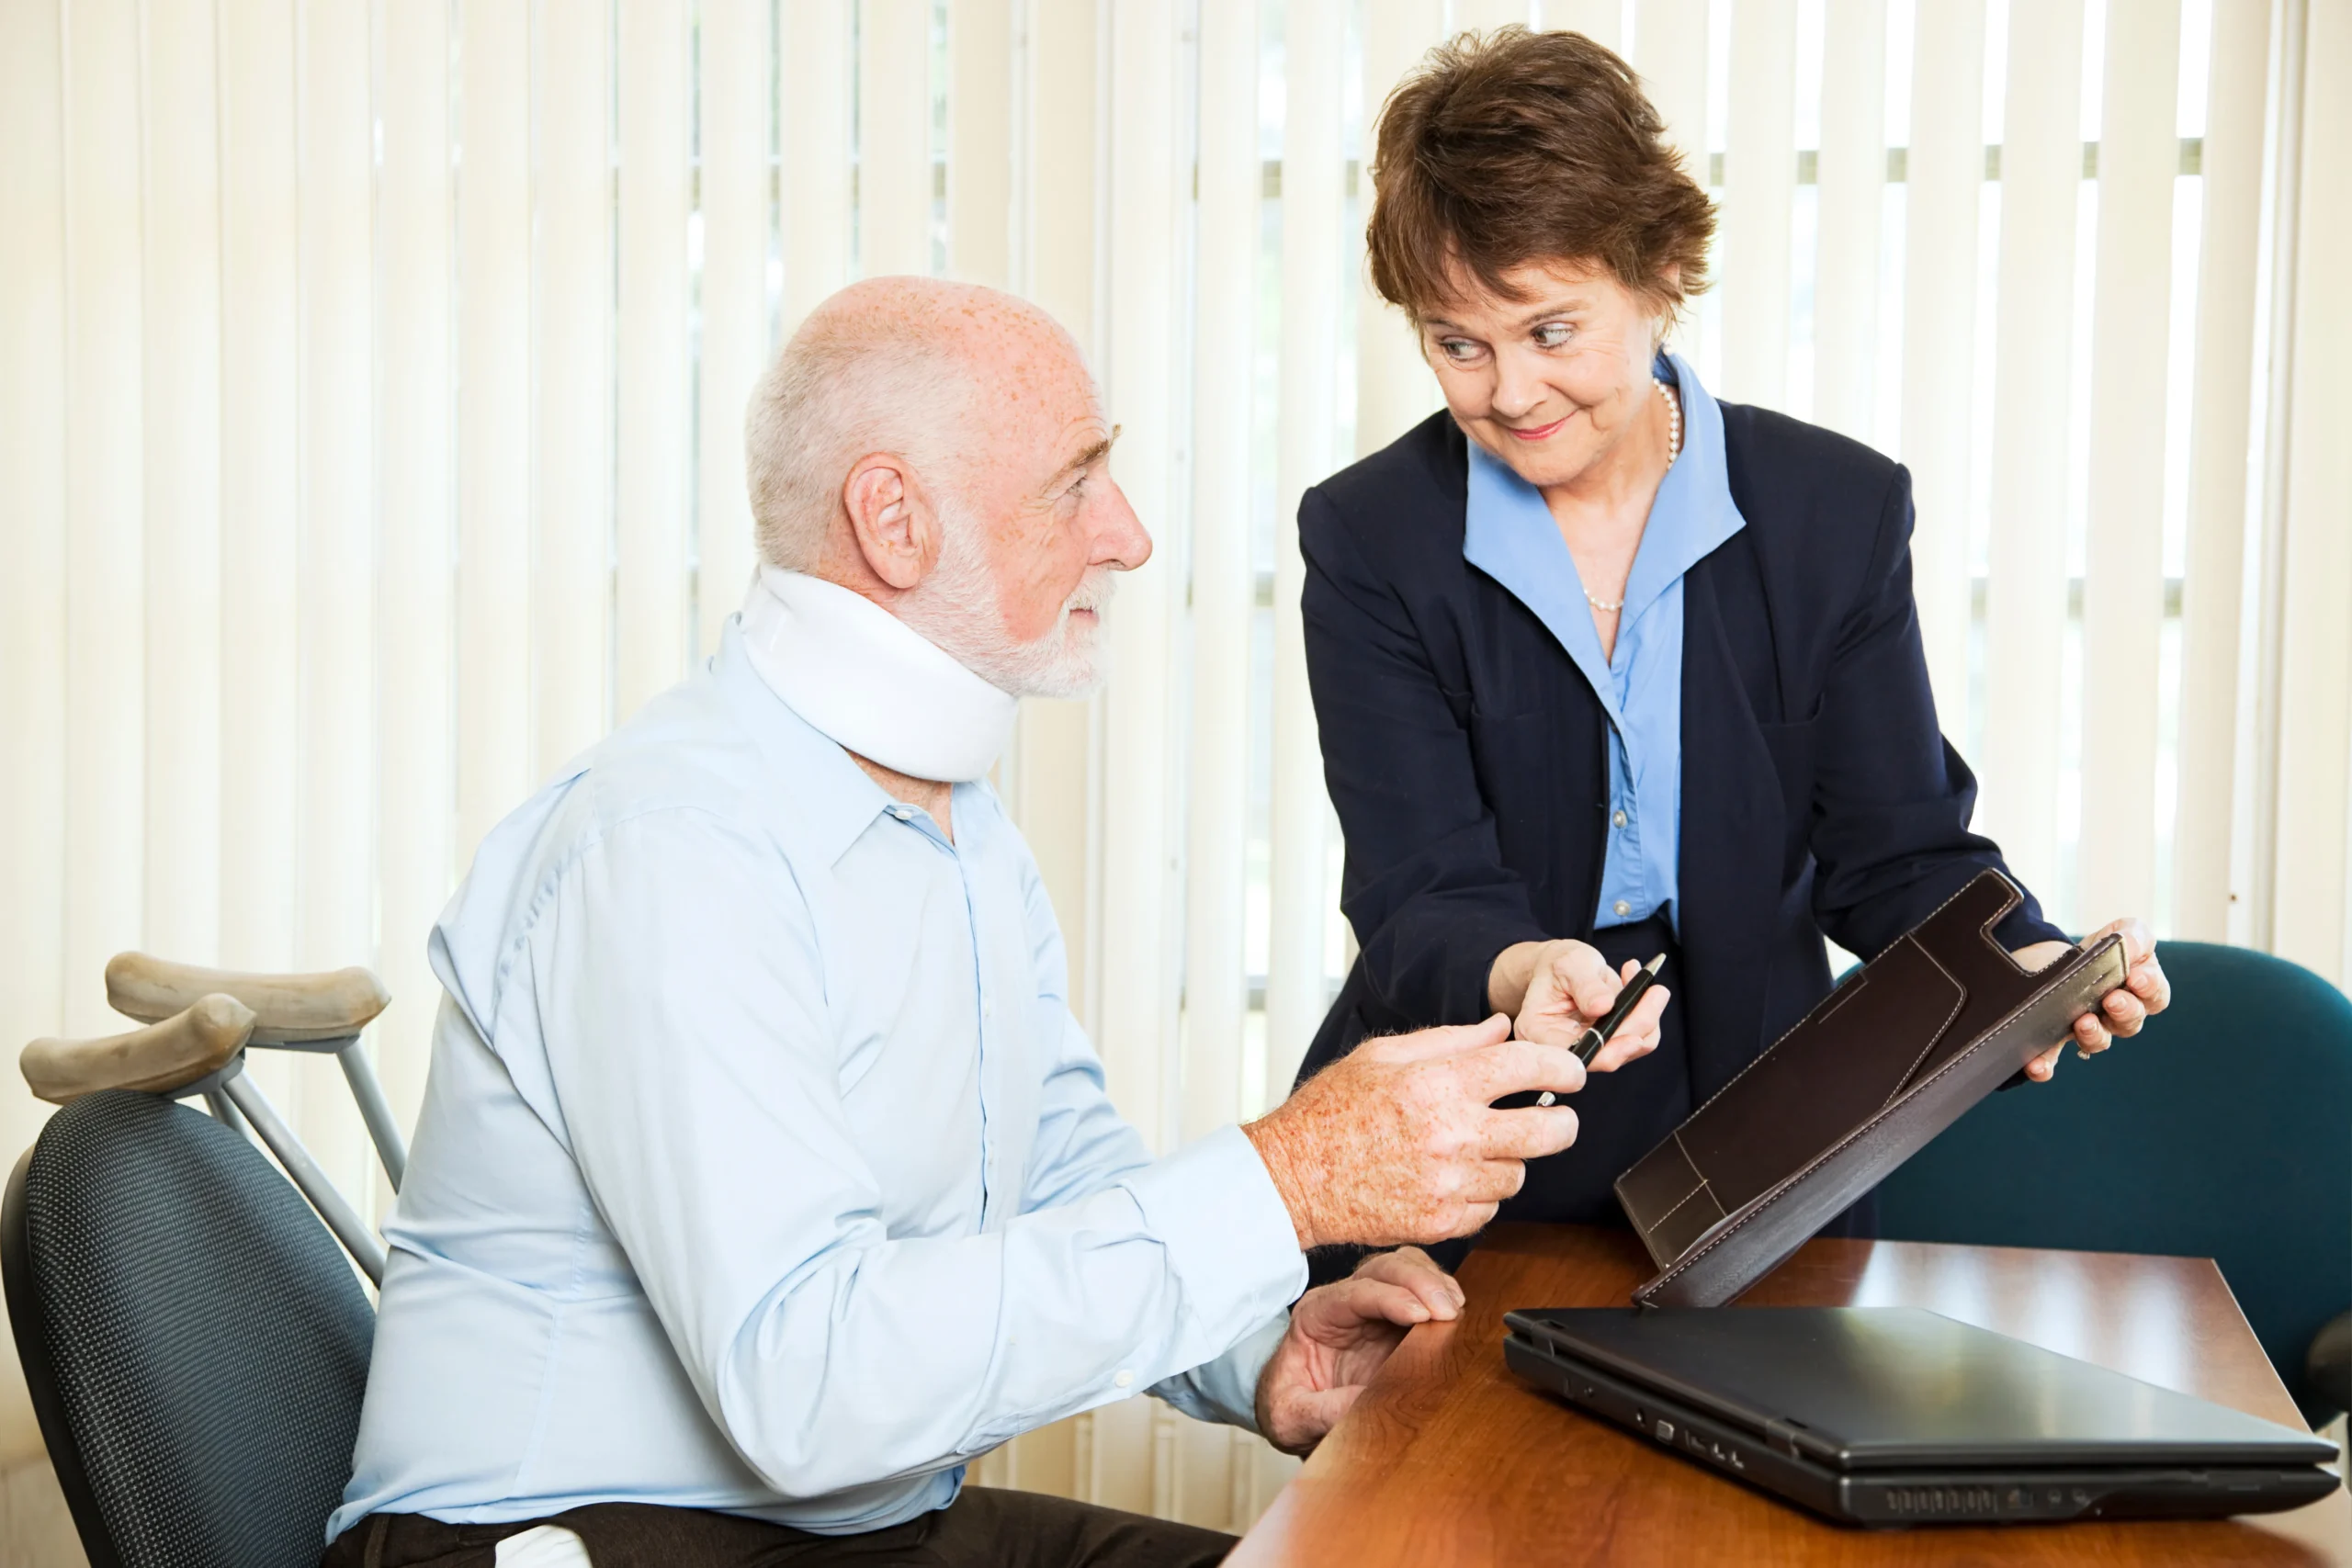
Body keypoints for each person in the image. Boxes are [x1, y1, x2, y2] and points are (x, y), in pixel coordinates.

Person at [322, 276, 1596, 1568]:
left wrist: (1266, 1345)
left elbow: (1058, 1175)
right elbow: (806, 1382)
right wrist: (1285, 1181)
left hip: (852, 1525)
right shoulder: (671, 850)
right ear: (893, 520)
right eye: (1076, 481)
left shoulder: (956, 822)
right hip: (572, 1532)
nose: (1130, 534)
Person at [1291, 28, 2172, 1278]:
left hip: (1763, 1146)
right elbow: (1415, 889)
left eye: (1551, 330)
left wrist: (2025, 966)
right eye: (1457, 343)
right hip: (1455, 1131)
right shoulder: (1373, 535)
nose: (1508, 392)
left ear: (1660, 270)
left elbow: (1896, 850)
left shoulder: (1835, 512)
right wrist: (1524, 964)